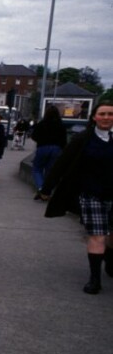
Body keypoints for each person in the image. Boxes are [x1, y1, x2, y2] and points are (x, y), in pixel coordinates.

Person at [39, 100, 113, 294]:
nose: (106, 118)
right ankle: (95, 279)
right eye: (103, 114)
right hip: (91, 193)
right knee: (97, 235)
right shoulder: (83, 139)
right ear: (94, 117)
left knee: (109, 235)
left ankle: (110, 257)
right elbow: (62, 163)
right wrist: (47, 188)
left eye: (110, 114)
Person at [31, 105, 67, 199]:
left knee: (37, 168)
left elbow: (34, 136)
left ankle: (41, 187)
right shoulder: (61, 125)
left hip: (42, 147)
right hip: (56, 149)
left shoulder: (42, 124)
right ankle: (46, 192)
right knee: (50, 171)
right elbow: (64, 140)